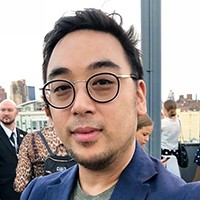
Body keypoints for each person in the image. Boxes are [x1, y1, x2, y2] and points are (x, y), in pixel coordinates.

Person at [21, 8, 200, 200]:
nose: (80, 105)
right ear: (49, 111)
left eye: (102, 82)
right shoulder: (36, 193)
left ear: (139, 97)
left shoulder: (183, 196)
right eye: (62, 88)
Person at [14, 123, 72, 193]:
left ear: (47, 112)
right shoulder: (78, 137)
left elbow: (20, 185)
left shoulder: (31, 139)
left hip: (44, 194)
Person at [0, 99, 27, 200]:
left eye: (10, 110)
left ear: (16, 113)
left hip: (25, 194)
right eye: (2, 110)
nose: (6, 113)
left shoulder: (25, 136)